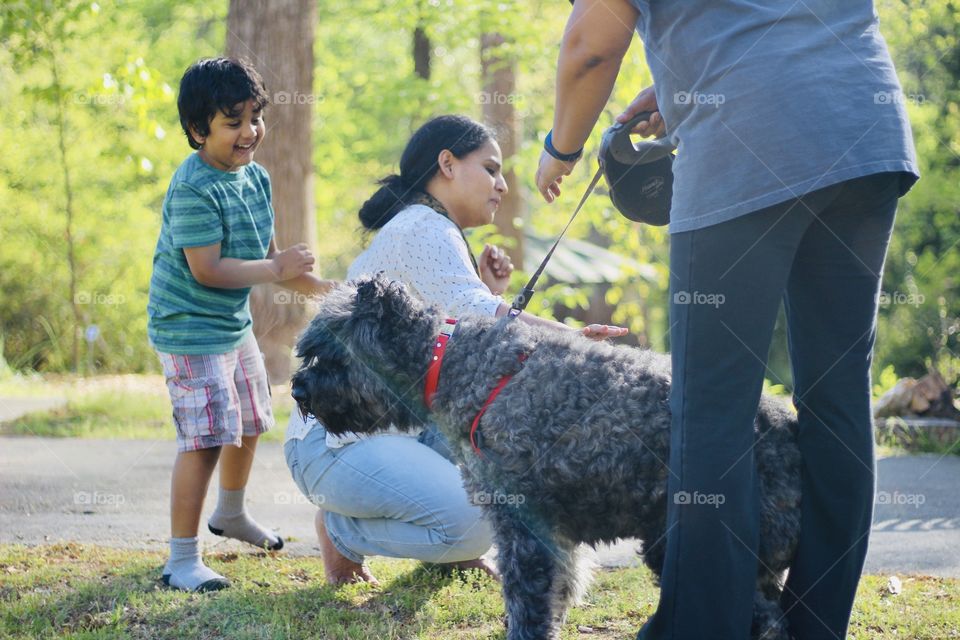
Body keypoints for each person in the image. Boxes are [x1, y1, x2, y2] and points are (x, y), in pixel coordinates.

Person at [535, 2, 919, 639]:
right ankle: (816, 627)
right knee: (838, 397)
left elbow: (589, 48)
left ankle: (704, 628)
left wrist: (561, 147)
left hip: (748, 141)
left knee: (712, 407)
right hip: (863, 128)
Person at [284, 114, 627, 585]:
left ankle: (448, 547)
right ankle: (342, 533)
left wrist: (486, 289)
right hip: (335, 442)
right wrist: (573, 338)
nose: (502, 185)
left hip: (386, 434)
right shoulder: (423, 228)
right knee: (479, 523)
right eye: (490, 168)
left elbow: (447, 338)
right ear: (447, 163)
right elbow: (476, 312)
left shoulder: (429, 228)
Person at [148, 57, 333, 592]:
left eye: (256, 116)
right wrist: (276, 269)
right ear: (197, 130)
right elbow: (208, 269)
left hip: (230, 326)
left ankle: (230, 513)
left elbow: (266, 259)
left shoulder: (255, 179)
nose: (250, 131)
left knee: (251, 419)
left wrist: (325, 291)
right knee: (204, 440)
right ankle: (181, 560)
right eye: (234, 121)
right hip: (188, 328)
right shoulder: (194, 187)